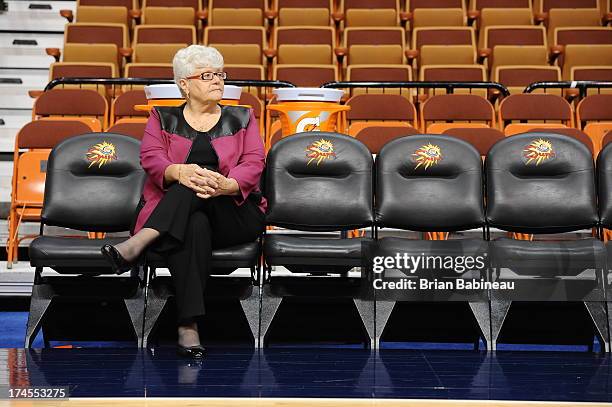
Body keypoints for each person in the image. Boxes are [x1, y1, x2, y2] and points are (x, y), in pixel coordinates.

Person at [101, 45, 266, 359]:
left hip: (234, 212)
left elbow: (255, 161)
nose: (217, 80)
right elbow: (151, 158)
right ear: (184, 84)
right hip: (181, 217)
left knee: (195, 182)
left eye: (220, 74)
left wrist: (228, 183)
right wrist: (177, 171)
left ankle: (139, 242)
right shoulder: (162, 117)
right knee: (194, 220)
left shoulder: (242, 117)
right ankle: (188, 324)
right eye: (207, 75)